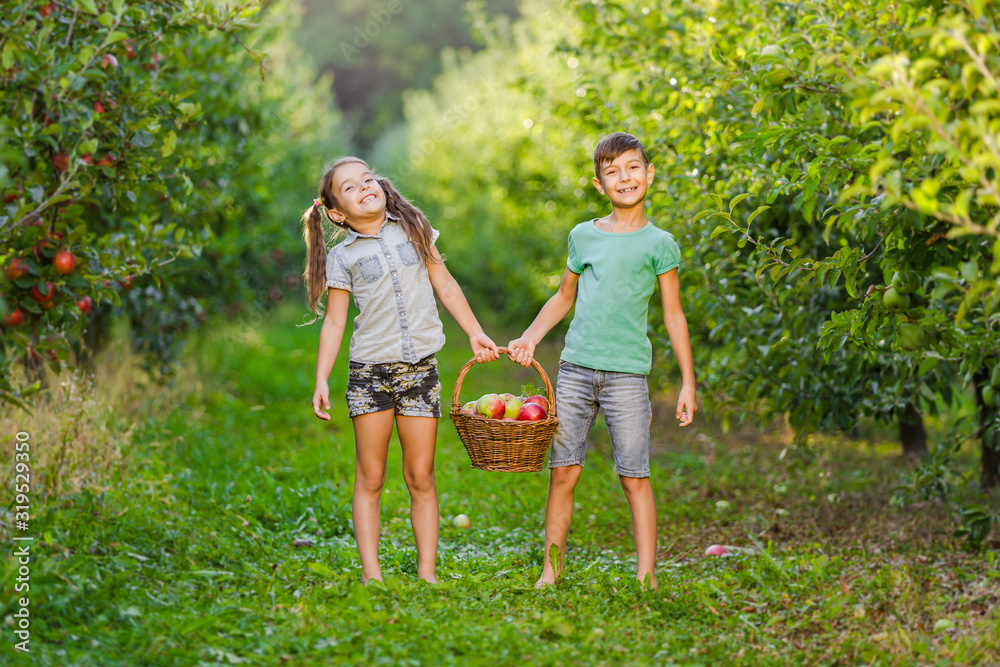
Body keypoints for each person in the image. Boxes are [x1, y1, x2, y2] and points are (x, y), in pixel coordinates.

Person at [508, 132, 697, 590]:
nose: (624, 178)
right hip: (575, 371)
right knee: (563, 473)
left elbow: (673, 314)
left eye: (632, 167)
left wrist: (689, 383)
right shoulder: (583, 236)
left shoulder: (660, 243)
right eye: (611, 171)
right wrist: (531, 337)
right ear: (599, 184)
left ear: (649, 174)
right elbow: (563, 298)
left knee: (635, 476)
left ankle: (647, 575)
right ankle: (550, 572)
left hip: (628, 376)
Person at [302, 157, 499, 585]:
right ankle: (371, 574)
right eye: (350, 188)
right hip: (369, 375)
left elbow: (444, 283)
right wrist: (321, 377)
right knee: (371, 475)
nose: (364, 187)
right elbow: (335, 321)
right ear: (337, 212)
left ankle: (426, 571)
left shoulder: (413, 228)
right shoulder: (342, 257)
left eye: (367, 179)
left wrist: (475, 332)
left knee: (420, 475)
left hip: (419, 373)